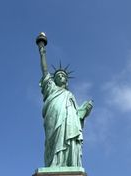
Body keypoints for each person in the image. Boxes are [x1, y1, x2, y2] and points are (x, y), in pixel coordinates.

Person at [37, 35, 93, 167]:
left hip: (69, 123)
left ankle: (68, 163)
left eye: (63, 75)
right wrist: (42, 52)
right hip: (54, 118)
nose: (61, 76)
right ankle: (54, 164)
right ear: (54, 79)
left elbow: (77, 114)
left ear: (66, 81)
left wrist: (85, 110)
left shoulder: (70, 95)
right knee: (53, 140)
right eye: (58, 75)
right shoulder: (51, 88)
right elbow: (45, 71)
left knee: (70, 139)